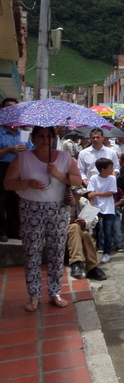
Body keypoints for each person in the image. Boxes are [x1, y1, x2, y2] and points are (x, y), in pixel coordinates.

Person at [3, 126, 81, 311]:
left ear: (53, 138)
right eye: (41, 136)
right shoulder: (22, 158)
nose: (45, 140)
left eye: (48, 136)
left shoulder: (64, 158)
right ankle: (34, 294)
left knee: (56, 252)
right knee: (32, 253)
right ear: (33, 138)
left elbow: (77, 180)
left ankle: (55, 292)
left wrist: (57, 174)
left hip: (58, 210)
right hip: (31, 210)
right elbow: (8, 184)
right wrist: (27, 183)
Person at [0, 99, 32, 241]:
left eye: (14, 108)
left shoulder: (23, 134)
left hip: (19, 169)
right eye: (8, 107)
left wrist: (26, 152)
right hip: (2, 167)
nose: (11, 110)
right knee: (1, 199)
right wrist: (8, 149)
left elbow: (32, 151)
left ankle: (14, 230)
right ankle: (1, 231)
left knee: (16, 200)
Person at [67, 186, 107, 281]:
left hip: (79, 233)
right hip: (65, 235)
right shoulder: (62, 204)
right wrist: (71, 221)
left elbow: (94, 219)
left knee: (85, 234)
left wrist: (85, 222)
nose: (79, 196)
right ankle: (75, 262)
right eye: (77, 194)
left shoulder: (83, 201)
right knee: (74, 227)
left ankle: (92, 267)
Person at [87, 158, 119, 264]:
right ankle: (96, 248)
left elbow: (110, 193)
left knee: (108, 231)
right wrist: (91, 209)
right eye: (110, 168)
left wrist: (96, 194)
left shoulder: (112, 179)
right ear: (103, 169)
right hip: (96, 207)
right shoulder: (94, 178)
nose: (112, 169)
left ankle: (107, 252)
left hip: (108, 208)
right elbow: (90, 194)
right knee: (96, 230)